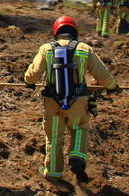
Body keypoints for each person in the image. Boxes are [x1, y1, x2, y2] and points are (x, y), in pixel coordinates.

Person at [24, 15, 119, 182]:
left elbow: (33, 74)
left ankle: (53, 173)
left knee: (54, 138)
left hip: (53, 103)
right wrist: (112, 86)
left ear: (56, 32)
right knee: (80, 128)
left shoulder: (46, 49)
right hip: (78, 103)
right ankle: (77, 157)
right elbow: (101, 73)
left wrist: (28, 81)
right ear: (74, 31)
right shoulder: (84, 49)